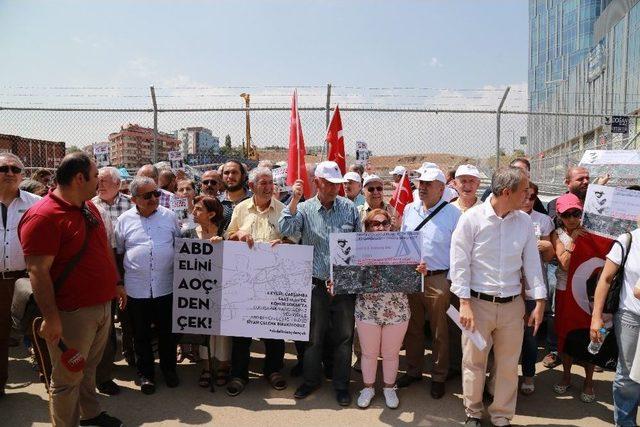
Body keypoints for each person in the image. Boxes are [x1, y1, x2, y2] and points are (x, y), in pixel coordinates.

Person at [18, 152, 125, 427]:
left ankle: (90, 414)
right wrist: (52, 318)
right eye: (95, 176)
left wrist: (115, 283)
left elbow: (103, 250)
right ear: (80, 178)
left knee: (88, 368)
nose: (98, 181)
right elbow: (38, 272)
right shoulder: (43, 216)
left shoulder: (89, 208)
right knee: (66, 379)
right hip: (71, 313)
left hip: (102, 305)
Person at [450, 166, 546, 427]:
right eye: (525, 191)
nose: (529, 196)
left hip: (512, 307)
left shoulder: (524, 221)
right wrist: (465, 303)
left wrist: (538, 301)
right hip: (477, 306)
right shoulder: (471, 219)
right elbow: (460, 263)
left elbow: (532, 264)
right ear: (506, 192)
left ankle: (501, 415)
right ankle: (472, 412)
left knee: (506, 365)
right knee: (474, 362)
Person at [279, 161, 361, 407]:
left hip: (344, 285)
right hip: (315, 285)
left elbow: (358, 245)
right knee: (313, 337)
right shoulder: (303, 209)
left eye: (338, 184)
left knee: (344, 338)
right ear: (316, 183)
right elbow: (286, 229)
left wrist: (346, 276)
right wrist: (292, 200)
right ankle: (311, 380)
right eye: (329, 184)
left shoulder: (349, 209)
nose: (335, 189)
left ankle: (341, 385)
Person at [397, 168, 461, 399]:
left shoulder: (453, 214)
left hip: (439, 279)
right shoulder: (409, 209)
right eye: (420, 183)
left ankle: (438, 376)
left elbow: (458, 251)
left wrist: (450, 280)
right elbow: (403, 240)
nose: (421, 187)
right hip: (411, 277)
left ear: (441, 188)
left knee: (439, 330)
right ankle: (413, 370)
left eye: (428, 183)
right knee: (412, 326)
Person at [354, 208, 427, 409]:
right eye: (374, 224)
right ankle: (368, 388)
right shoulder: (357, 248)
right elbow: (348, 275)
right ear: (367, 228)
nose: (380, 227)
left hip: (397, 310)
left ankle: (389, 387)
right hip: (367, 309)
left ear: (390, 225)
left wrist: (420, 270)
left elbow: (414, 274)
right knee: (368, 353)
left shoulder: (404, 247)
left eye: (384, 223)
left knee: (391, 353)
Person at [224, 167, 288, 396]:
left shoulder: (282, 210)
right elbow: (227, 237)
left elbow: (294, 239)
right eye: (263, 183)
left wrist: (284, 243)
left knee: (274, 330)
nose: (268, 187)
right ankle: (239, 375)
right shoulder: (241, 209)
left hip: (273, 280)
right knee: (241, 331)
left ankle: (273, 370)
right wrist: (238, 235)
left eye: (270, 182)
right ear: (251, 186)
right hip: (245, 280)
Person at [115, 176, 181, 395]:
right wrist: (119, 283)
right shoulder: (124, 220)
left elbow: (181, 246)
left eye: (157, 193)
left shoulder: (170, 217)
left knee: (167, 333)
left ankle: (169, 370)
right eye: (147, 195)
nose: (154, 198)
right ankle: (146, 375)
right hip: (136, 289)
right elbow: (119, 252)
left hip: (166, 287)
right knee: (141, 335)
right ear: (134, 199)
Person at [591, 219, 640, 426]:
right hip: (630, 316)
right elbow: (606, 278)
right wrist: (596, 317)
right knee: (628, 374)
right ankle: (625, 422)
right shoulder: (628, 240)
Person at [549, 193, 597, 402]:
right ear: (559, 215)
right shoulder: (557, 234)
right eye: (566, 214)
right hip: (564, 289)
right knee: (566, 334)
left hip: (588, 291)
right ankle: (566, 376)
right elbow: (565, 263)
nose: (571, 218)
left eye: (576, 213)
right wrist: (575, 239)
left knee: (590, 335)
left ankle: (589, 381)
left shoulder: (592, 232)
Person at [0, 154, 41, 398]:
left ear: (23, 175)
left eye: (15, 168)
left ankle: (53, 385)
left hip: (25, 280)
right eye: (3, 168)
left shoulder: (36, 203)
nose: (9, 172)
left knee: (38, 332)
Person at [92, 167, 136, 372]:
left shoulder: (132, 204)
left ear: (118, 184)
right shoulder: (90, 206)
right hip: (102, 266)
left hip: (126, 263)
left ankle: (131, 354)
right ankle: (106, 364)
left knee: (128, 314)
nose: (99, 185)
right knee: (106, 318)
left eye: (104, 181)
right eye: (98, 181)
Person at [181, 195, 225, 389]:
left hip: (222, 290)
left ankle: (224, 367)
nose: (194, 212)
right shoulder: (188, 233)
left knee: (223, 332)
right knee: (203, 329)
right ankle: (206, 368)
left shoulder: (224, 232)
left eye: (199, 209)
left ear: (212, 214)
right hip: (198, 292)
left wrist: (223, 244)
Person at [519, 183, 555, 396]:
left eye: (532, 197)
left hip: (533, 288)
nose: (528, 200)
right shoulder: (508, 217)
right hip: (511, 286)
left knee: (530, 336)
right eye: (525, 196)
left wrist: (547, 246)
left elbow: (549, 258)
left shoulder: (544, 221)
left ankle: (529, 375)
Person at [480, 158, 547, 215]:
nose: (527, 200)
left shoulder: (525, 218)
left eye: (522, 171)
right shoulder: (492, 191)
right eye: (515, 170)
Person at [219, 160, 251, 232]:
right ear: (221, 177)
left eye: (234, 172)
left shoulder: (255, 200)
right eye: (226, 173)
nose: (230, 176)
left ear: (243, 176)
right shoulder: (216, 202)